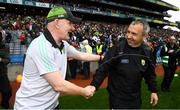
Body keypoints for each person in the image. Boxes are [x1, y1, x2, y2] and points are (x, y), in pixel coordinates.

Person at [14, 6, 101, 110]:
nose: (73, 28)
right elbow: (59, 85)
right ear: (57, 23)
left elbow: (80, 55)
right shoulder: (41, 46)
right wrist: (84, 91)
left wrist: (102, 58)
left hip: (52, 105)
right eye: (70, 23)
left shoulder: (63, 44)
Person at [90, 19, 158, 109]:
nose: (129, 36)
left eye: (134, 34)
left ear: (144, 36)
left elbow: (150, 74)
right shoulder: (118, 48)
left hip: (135, 99)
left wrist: (153, 91)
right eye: (128, 32)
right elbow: (103, 67)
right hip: (117, 99)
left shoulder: (147, 52)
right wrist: (94, 85)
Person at [0, 31, 12, 109]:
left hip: (2, 73)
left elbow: (8, 60)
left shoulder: (5, 47)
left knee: (7, 92)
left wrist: (0, 60)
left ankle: (4, 104)